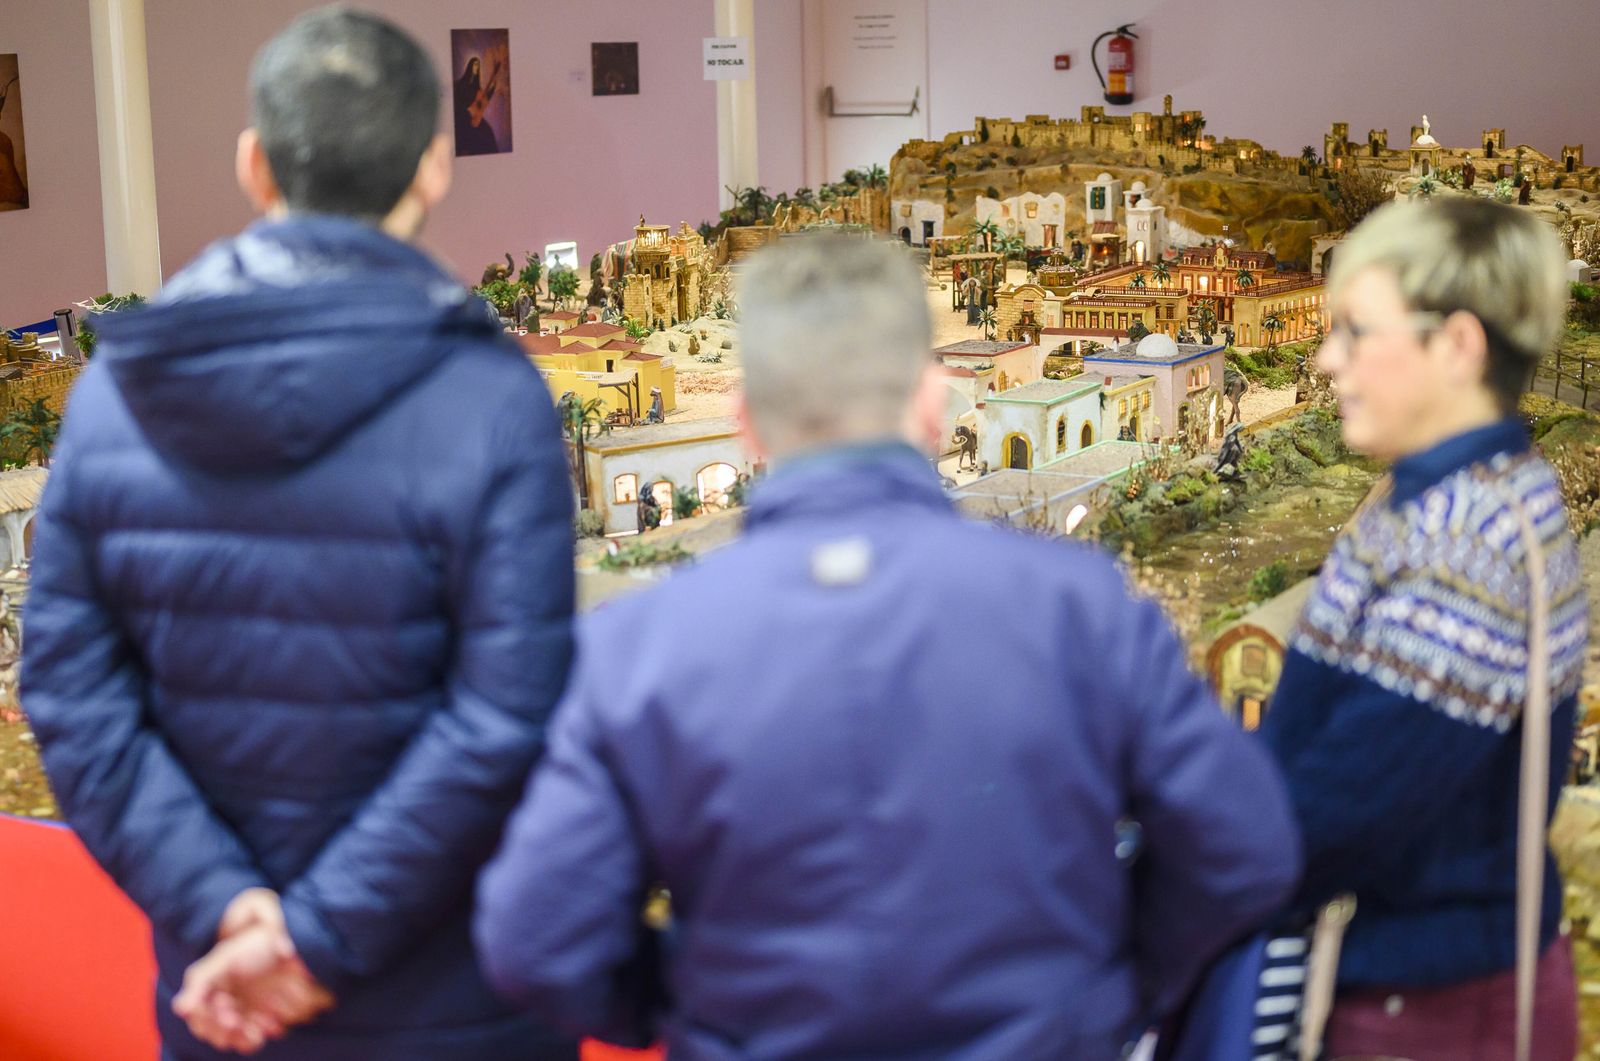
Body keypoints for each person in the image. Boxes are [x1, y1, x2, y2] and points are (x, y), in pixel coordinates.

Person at [474, 234, 1302, 1058]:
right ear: (935, 405)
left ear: (747, 425)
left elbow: (532, 935)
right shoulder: (1079, 609)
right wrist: (1110, 984)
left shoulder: (637, 649)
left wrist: (687, 1001)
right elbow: (1246, 843)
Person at [22, 8, 576, 1059]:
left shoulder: (114, 396)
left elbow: (69, 694)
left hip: (225, 1004)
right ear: (434, 165)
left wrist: (232, 910)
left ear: (253, 164)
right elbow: (506, 716)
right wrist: (315, 938)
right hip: (454, 993)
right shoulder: (491, 395)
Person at [1259, 197, 1588, 1059]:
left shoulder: (1463, 545)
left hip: (1435, 1012)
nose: (1328, 360)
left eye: (1357, 332)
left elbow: (1336, 810)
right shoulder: (1472, 497)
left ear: (1458, 346)